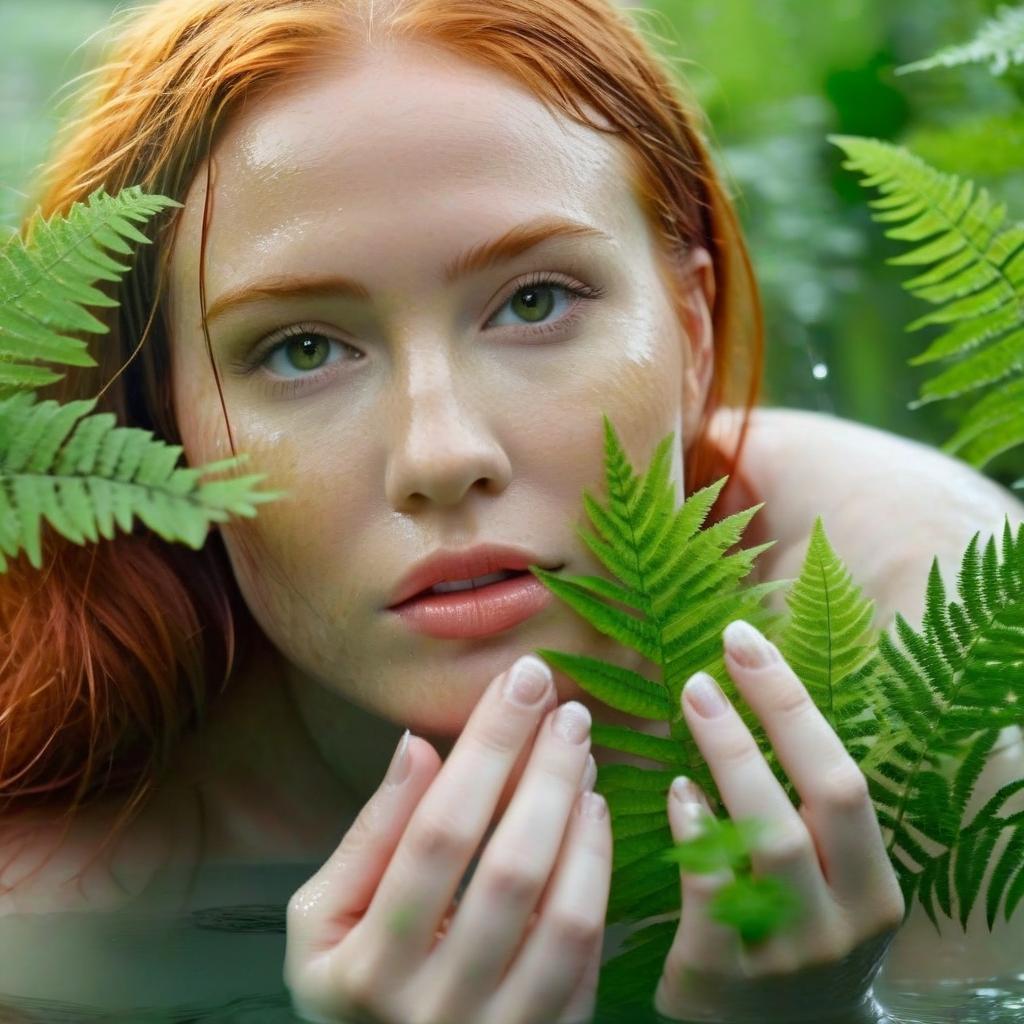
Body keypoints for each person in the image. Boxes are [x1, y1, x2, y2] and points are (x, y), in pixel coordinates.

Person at [1, 0, 1022, 1021]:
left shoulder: (941, 673)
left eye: (533, 301)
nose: (442, 454)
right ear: (157, 420)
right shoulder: (52, 906)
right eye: (301, 348)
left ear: (690, 330)